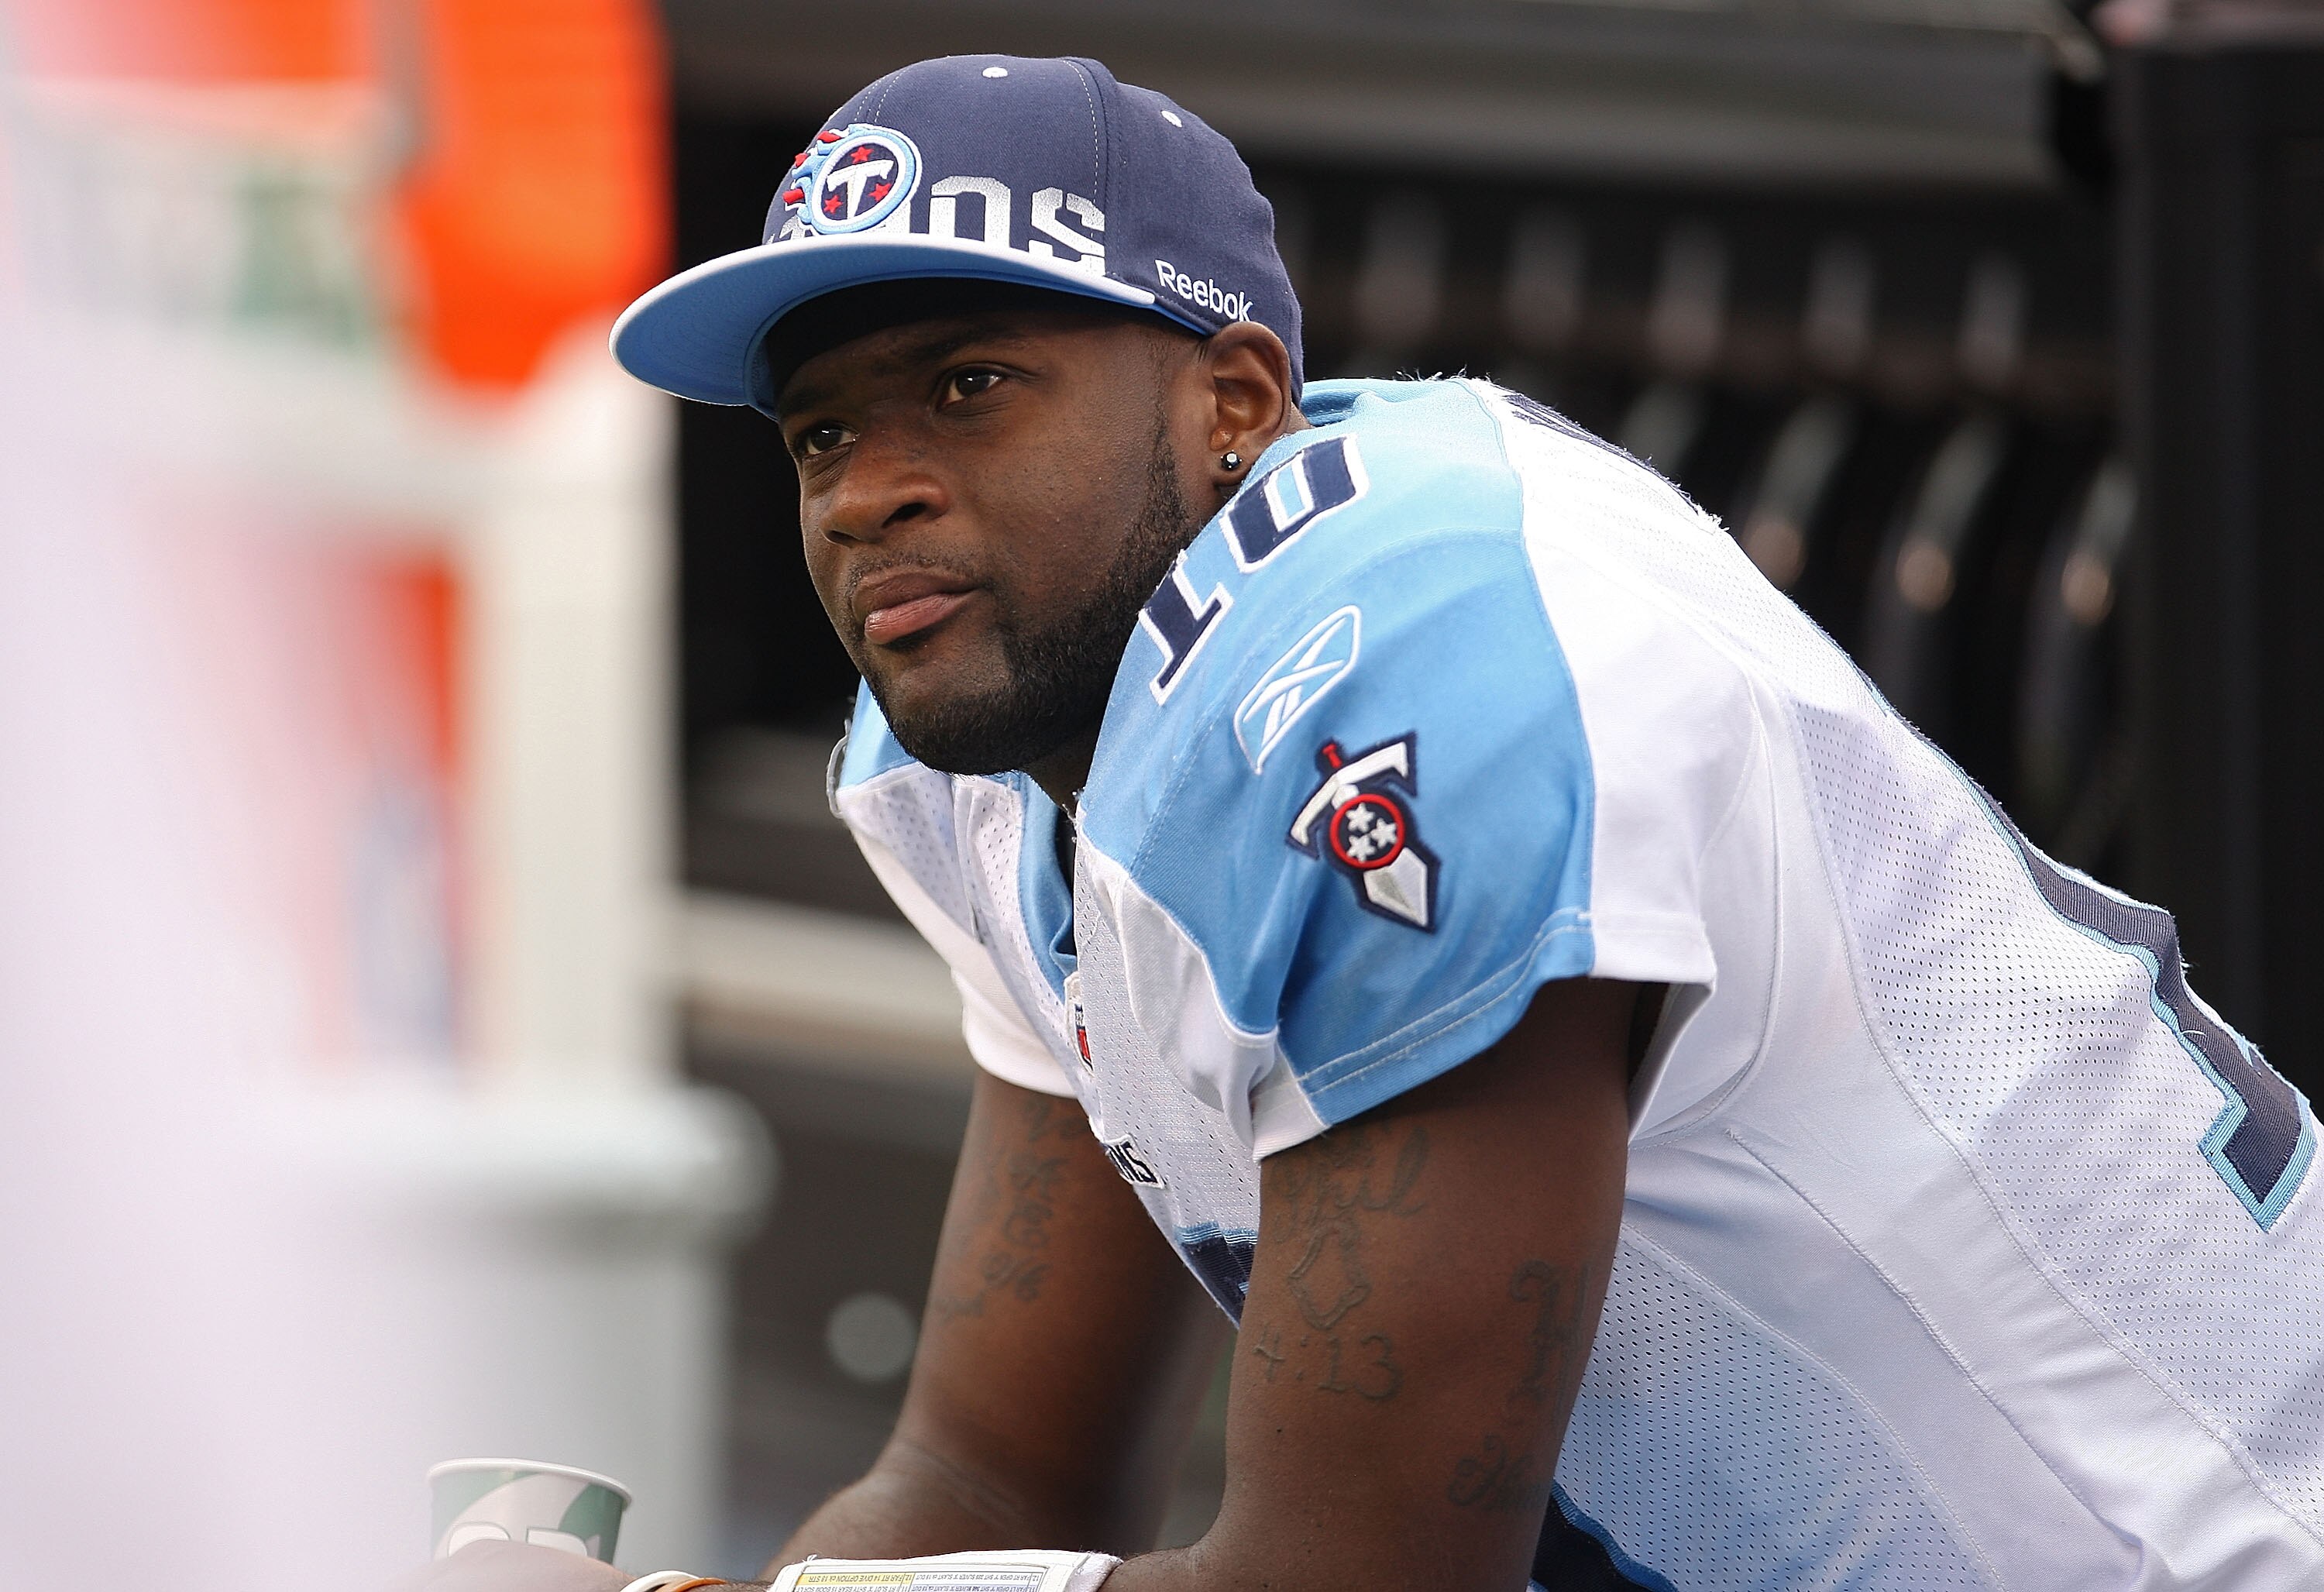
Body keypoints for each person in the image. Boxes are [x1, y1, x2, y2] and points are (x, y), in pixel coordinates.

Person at [453, 53, 2324, 1592]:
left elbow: (1360, 1587)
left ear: (1235, 402)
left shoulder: (1405, 648)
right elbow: (985, 1468)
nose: (870, 496)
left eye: (968, 385)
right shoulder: (1002, 751)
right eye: (821, 437)